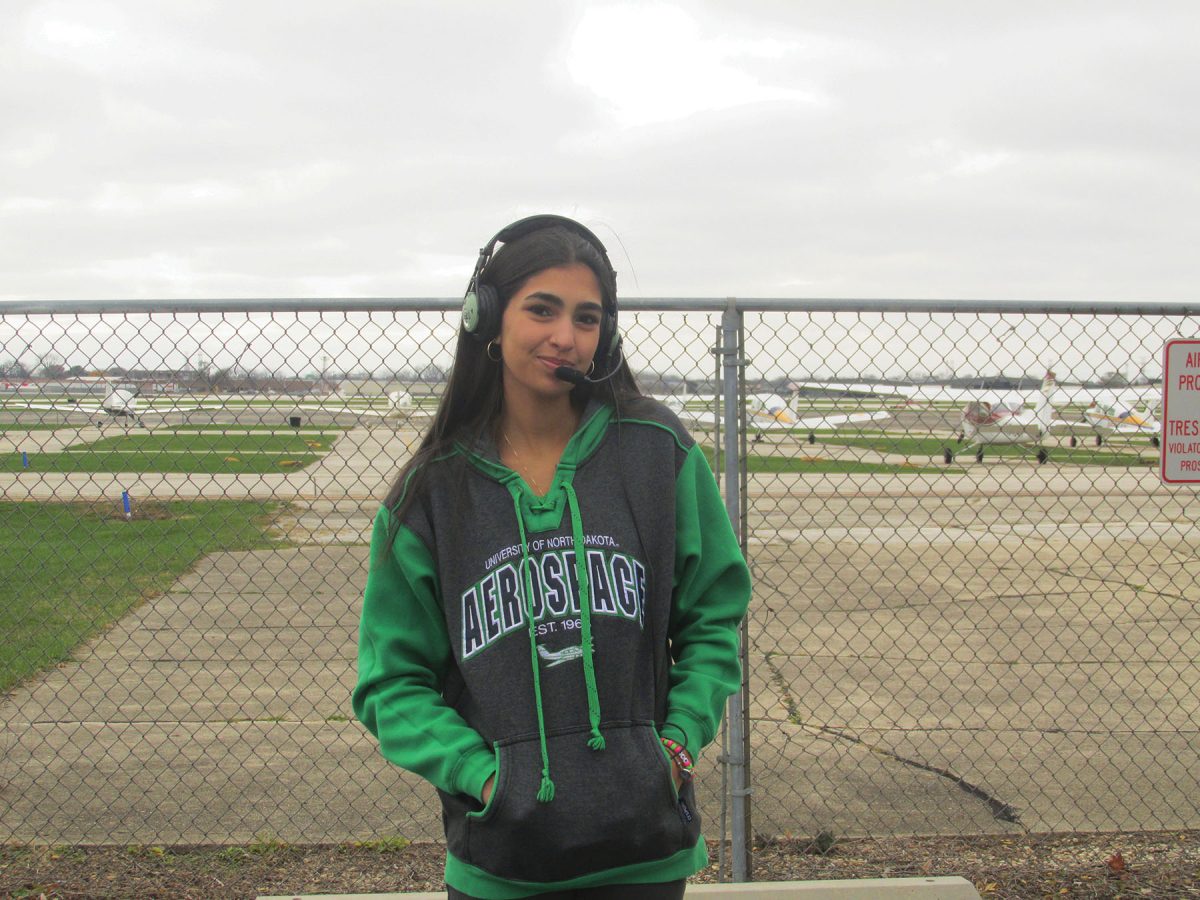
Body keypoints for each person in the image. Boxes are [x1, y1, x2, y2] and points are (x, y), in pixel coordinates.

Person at [352, 214, 751, 899]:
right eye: (542, 309)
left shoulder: (658, 452)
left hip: (644, 861)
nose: (566, 336)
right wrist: (484, 777)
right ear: (488, 318)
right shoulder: (432, 494)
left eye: (588, 318)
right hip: (501, 868)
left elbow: (714, 616)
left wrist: (676, 745)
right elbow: (390, 683)